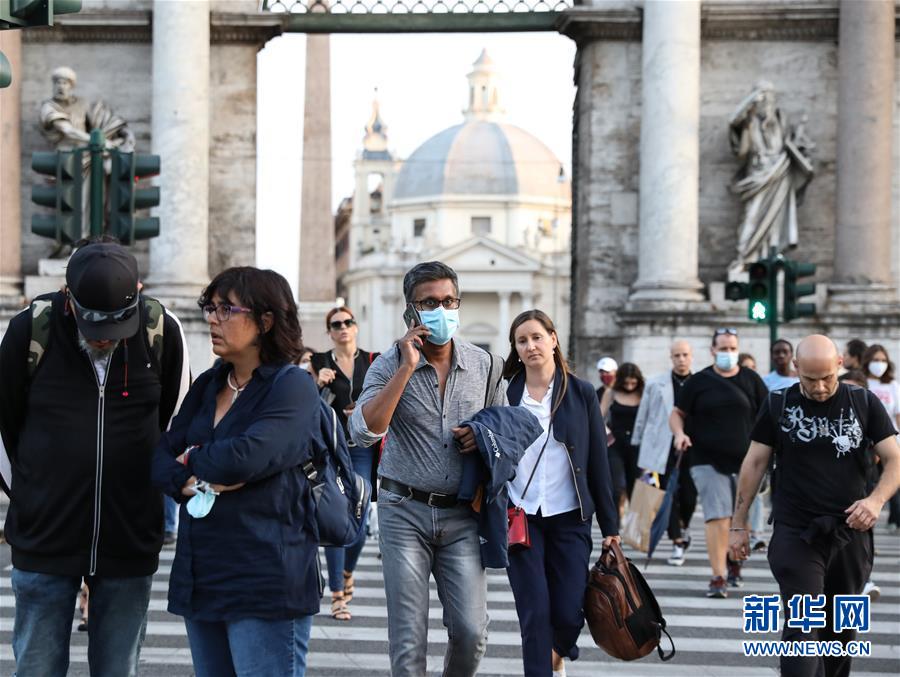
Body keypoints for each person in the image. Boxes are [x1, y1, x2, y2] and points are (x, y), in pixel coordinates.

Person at [0, 240, 189, 676]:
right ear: (69, 298)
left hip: (128, 537)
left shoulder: (162, 331)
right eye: (93, 324)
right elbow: (4, 426)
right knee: (36, 668)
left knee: (117, 669)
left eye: (117, 324)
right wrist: (32, 495)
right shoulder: (31, 330)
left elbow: (173, 427)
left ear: (138, 293)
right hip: (44, 538)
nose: (104, 336)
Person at [152, 267, 320, 677]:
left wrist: (190, 459)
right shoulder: (208, 384)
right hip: (202, 571)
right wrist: (186, 478)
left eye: (226, 309)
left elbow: (246, 457)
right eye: (210, 307)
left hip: (264, 575)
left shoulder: (292, 386)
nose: (212, 318)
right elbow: (159, 456)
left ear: (265, 320)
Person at [348, 261, 506, 677]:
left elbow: (509, 431)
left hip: (462, 516)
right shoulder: (387, 364)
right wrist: (406, 366)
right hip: (404, 512)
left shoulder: (486, 365)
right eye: (430, 302)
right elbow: (364, 431)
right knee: (408, 640)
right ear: (411, 311)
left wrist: (483, 436)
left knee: (472, 633)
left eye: (449, 300)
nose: (442, 309)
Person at [730, 335, 900, 677]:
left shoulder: (863, 402)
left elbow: (895, 459)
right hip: (796, 532)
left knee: (840, 632)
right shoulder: (777, 404)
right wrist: (737, 525)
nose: (820, 388)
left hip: (851, 532)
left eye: (827, 378)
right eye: (810, 379)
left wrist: (875, 500)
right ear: (796, 368)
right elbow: (753, 464)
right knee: (802, 625)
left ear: (840, 365)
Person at [504, 310, 619, 677]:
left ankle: (557, 650)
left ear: (553, 339)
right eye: (522, 341)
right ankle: (540, 667)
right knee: (534, 609)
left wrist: (611, 527)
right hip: (521, 517)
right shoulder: (506, 393)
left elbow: (599, 461)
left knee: (570, 611)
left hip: (570, 516)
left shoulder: (581, 392)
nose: (531, 346)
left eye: (537, 337)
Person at [670, 328, 767, 598]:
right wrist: (680, 434)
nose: (728, 353)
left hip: (747, 462)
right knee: (718, 516)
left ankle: (735, 562)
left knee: (741, 517)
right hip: (705, 459)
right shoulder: (698, 382)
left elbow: (767, 416)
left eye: (732, 348)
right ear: (712, 351)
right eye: (722, 349)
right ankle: (718, 575)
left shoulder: (751, 380)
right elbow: (677, 414)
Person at [310, 305, 380, 622]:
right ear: (329, 332)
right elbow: (306, 406)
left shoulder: (373, 361)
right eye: (336, 324)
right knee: (337, 516)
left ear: (356, 327)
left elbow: (386, 398)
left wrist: (364, 410)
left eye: (348, 322)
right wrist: (317, 384)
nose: (343, 328)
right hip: (333, 449)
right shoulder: (319, 362)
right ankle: (338, 595)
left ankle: (348, 569)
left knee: (361, 518)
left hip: (364, 448)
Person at [633, 340, 698, 566]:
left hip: (692, 448)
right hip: (658, 447)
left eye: (685, 355)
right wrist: (638, 443)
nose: (681, 359)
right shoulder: (655, 383)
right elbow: (644, 414)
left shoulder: (699, 382)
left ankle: (684, 525)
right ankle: (678, 541)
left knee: (689, 496)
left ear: (692, 356)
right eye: (677, 355)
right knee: (663, 496)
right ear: (671, 357)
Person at [861, 344, 900, 533]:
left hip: (888, 440)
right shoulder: (864, 383)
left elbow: (898, 415)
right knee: (867, 483)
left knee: (892, 480)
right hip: (866, 443)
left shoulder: (892, 385)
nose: (879, 364)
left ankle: (895, 518)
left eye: (883, 360)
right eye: (876, 360)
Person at [600, 362, 645, 522]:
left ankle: (635, 525)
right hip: (615, 445)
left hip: (637, 445)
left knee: (635, 487)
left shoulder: (643, 394)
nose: (630, 386)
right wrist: (606, 433)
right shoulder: (611, 393)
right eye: (626, 382)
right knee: (616, 486)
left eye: (633, 382)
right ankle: (615, 524)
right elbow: (598, 417)